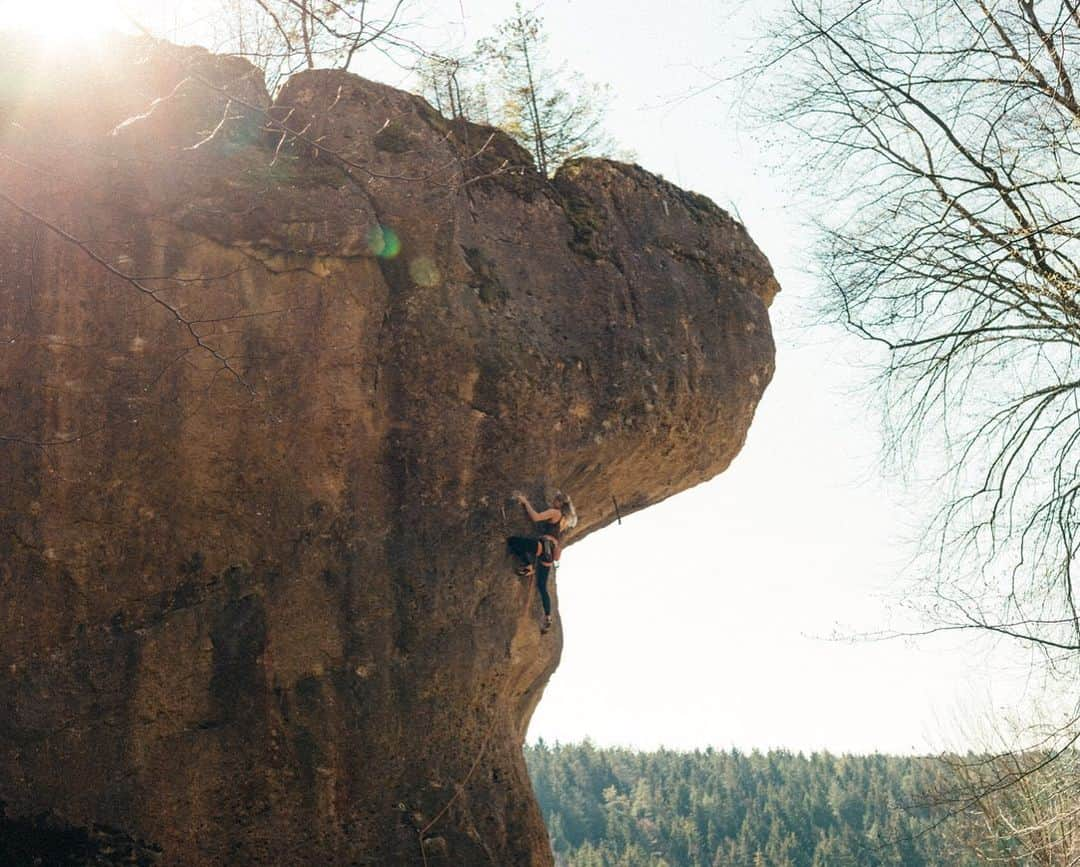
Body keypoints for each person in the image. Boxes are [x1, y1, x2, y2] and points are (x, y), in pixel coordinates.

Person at [507, 490, 578, 633]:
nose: (553, 501)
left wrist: (525, 502)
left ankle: (528, 565)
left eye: (555, 500)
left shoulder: (554, 512)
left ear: (559, 502)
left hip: (543, 546)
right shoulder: (564, 520)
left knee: (513, 541)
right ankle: (548, 616)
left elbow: (536, 517)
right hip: (549, 555)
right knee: (542, 586)